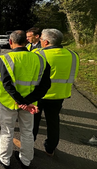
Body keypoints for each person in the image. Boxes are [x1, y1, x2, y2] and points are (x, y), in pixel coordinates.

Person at [0, 30, 51, 169]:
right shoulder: (40, 59)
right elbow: (45, 85)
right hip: (30, 104)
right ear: (27, 41)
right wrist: (27, 101)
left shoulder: (5, 58)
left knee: (7, 131)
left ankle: (5, 160)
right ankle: (26, 161)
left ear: (10, 42)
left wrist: (20, 101)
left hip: (9, 103)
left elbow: (7, 84)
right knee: (27, 132)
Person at [33, 28, 80, 156]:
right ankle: (50, 148)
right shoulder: (73, 55)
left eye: (41, 39)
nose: (40, 41)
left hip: (39, 95)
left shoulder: (38, 53)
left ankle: (29, 145)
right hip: (60, 95)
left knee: (33, 122)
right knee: (53, 122)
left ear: (46, 42)